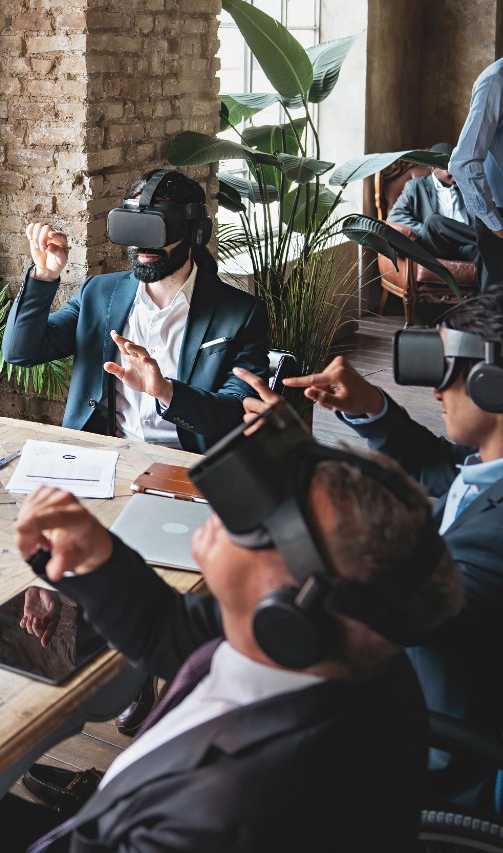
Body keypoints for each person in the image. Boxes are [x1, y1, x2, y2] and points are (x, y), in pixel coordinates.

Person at [0, 417, 462, 851]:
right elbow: (173, 633)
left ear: (287, 606)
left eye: (263, 517)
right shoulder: (344, 651)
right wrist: (95, 554)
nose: (230, 508)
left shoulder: (216, 819)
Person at [248, 288, 503, 806]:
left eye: (447, 370)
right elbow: (442, 474)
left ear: (491, 383)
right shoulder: (483, 467)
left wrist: (296, 464)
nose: (434, 392)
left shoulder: (491, 542)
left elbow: (387, 600)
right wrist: (370, 409)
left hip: (427, 746)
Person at [2, 169, 270, 455]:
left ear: (195, 232)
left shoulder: (241, 313)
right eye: (135, 227)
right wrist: (43, 275)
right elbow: (21, 352)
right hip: (102, 455)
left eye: (160, 228)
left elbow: (239, 411)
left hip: (186, 463)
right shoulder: (99, 293)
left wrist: (166, 392)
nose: (145, 244)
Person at [450, 58, 503, 291]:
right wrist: (496, 225)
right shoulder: (495, 80)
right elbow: (463, 162)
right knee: (495, 316)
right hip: (499, 218)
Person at [388, 142, 477, 262]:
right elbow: (395, 217)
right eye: (448, 166)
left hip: (465, 245)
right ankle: (486, 239)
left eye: (456, 165)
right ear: (433, 167)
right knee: (433, 221)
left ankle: (486, 242)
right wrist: (424, 230)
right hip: (437, 246)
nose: (454, 171)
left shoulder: (466, 186)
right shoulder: (416, 186)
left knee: (484, 252)